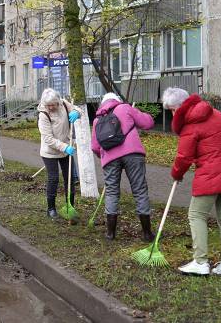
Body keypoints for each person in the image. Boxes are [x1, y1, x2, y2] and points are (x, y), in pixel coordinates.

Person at [162, 87, 221, 277]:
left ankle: (200, 262)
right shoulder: (216, 113)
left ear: (177, 108)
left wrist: (176, 174)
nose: (171, 113)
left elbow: (184, 156)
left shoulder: (189, 125)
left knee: (196, 215)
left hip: (211, 174)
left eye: (171, 110)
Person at [91, 92, 155, 241]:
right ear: (116, 100)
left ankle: (110, 234)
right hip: (133, 154)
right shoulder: (125, 108)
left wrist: (105, 157)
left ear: (103, 103)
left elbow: (95, 146)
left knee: (112, 192)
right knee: (139, 190)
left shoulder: (97, 120)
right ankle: (146, 233)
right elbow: (148, 123)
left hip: (110, 159)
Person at [37, 88, 82, 220]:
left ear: (58, 102)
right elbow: (48, 139)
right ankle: (51, 209)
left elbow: (78, 109)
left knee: (70, 179)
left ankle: (70, 206)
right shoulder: (43, 114)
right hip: (50, 152)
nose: (50, 107)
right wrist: (65, 147)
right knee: (54, 179)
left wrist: (76, 113)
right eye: (48, 105)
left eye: (53, 104)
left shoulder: (63, 103)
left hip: (66, 148)